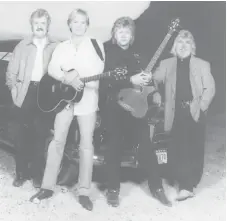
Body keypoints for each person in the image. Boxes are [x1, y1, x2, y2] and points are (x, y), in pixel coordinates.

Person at [30, 9, 105, 211]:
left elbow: (98, 71)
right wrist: (66, 78)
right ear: (69, 24)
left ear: (87, 25)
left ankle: (83, 192)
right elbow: (53, 68)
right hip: (65, 101)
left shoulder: (96, 45)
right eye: (75, 22)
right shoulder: (62, 46)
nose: (79, 25)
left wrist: (77, 75)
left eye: (82, 22)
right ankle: (47, 187)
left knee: (86, 146)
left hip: (87, 101)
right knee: (57, 142)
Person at [99, 17, 172, 207]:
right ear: (115, 34)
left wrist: (148, 80)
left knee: (147, 146)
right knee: (114, 146)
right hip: (114, 106)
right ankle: (113, 190)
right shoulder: (107, 53)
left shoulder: (139, 55)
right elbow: (105, 82)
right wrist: (130, 81)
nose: (124, 35)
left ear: (132, 36)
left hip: (137, 108)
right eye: (120, 31)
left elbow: (146, 81)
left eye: (127, 32)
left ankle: (157, 188)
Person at [152, 30, 215, 201]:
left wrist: (201, 106)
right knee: (181, 146)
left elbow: (210, 88)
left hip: (194, 109)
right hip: (175, 111)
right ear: (174, 46)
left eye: (187, 43)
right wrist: (154, 92)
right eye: (180, 42)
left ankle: (191, 182)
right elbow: (153, 79)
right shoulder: (166, 64)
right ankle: (186, 186)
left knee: (195, 146)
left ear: (192, 47)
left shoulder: (202, 64)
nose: (183, 46)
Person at [6, 9, 58, 188]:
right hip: (24, 93)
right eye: (36, 23)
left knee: (40, 135)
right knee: (21, 136)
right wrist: (14, 92)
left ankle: (37, 175)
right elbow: (11, 72)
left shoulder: (55, 46)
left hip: (44, 96)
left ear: (48, 25)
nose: (39, 26)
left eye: (43, 23)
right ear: (32, 25)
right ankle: (21, 173)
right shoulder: (22, 46)